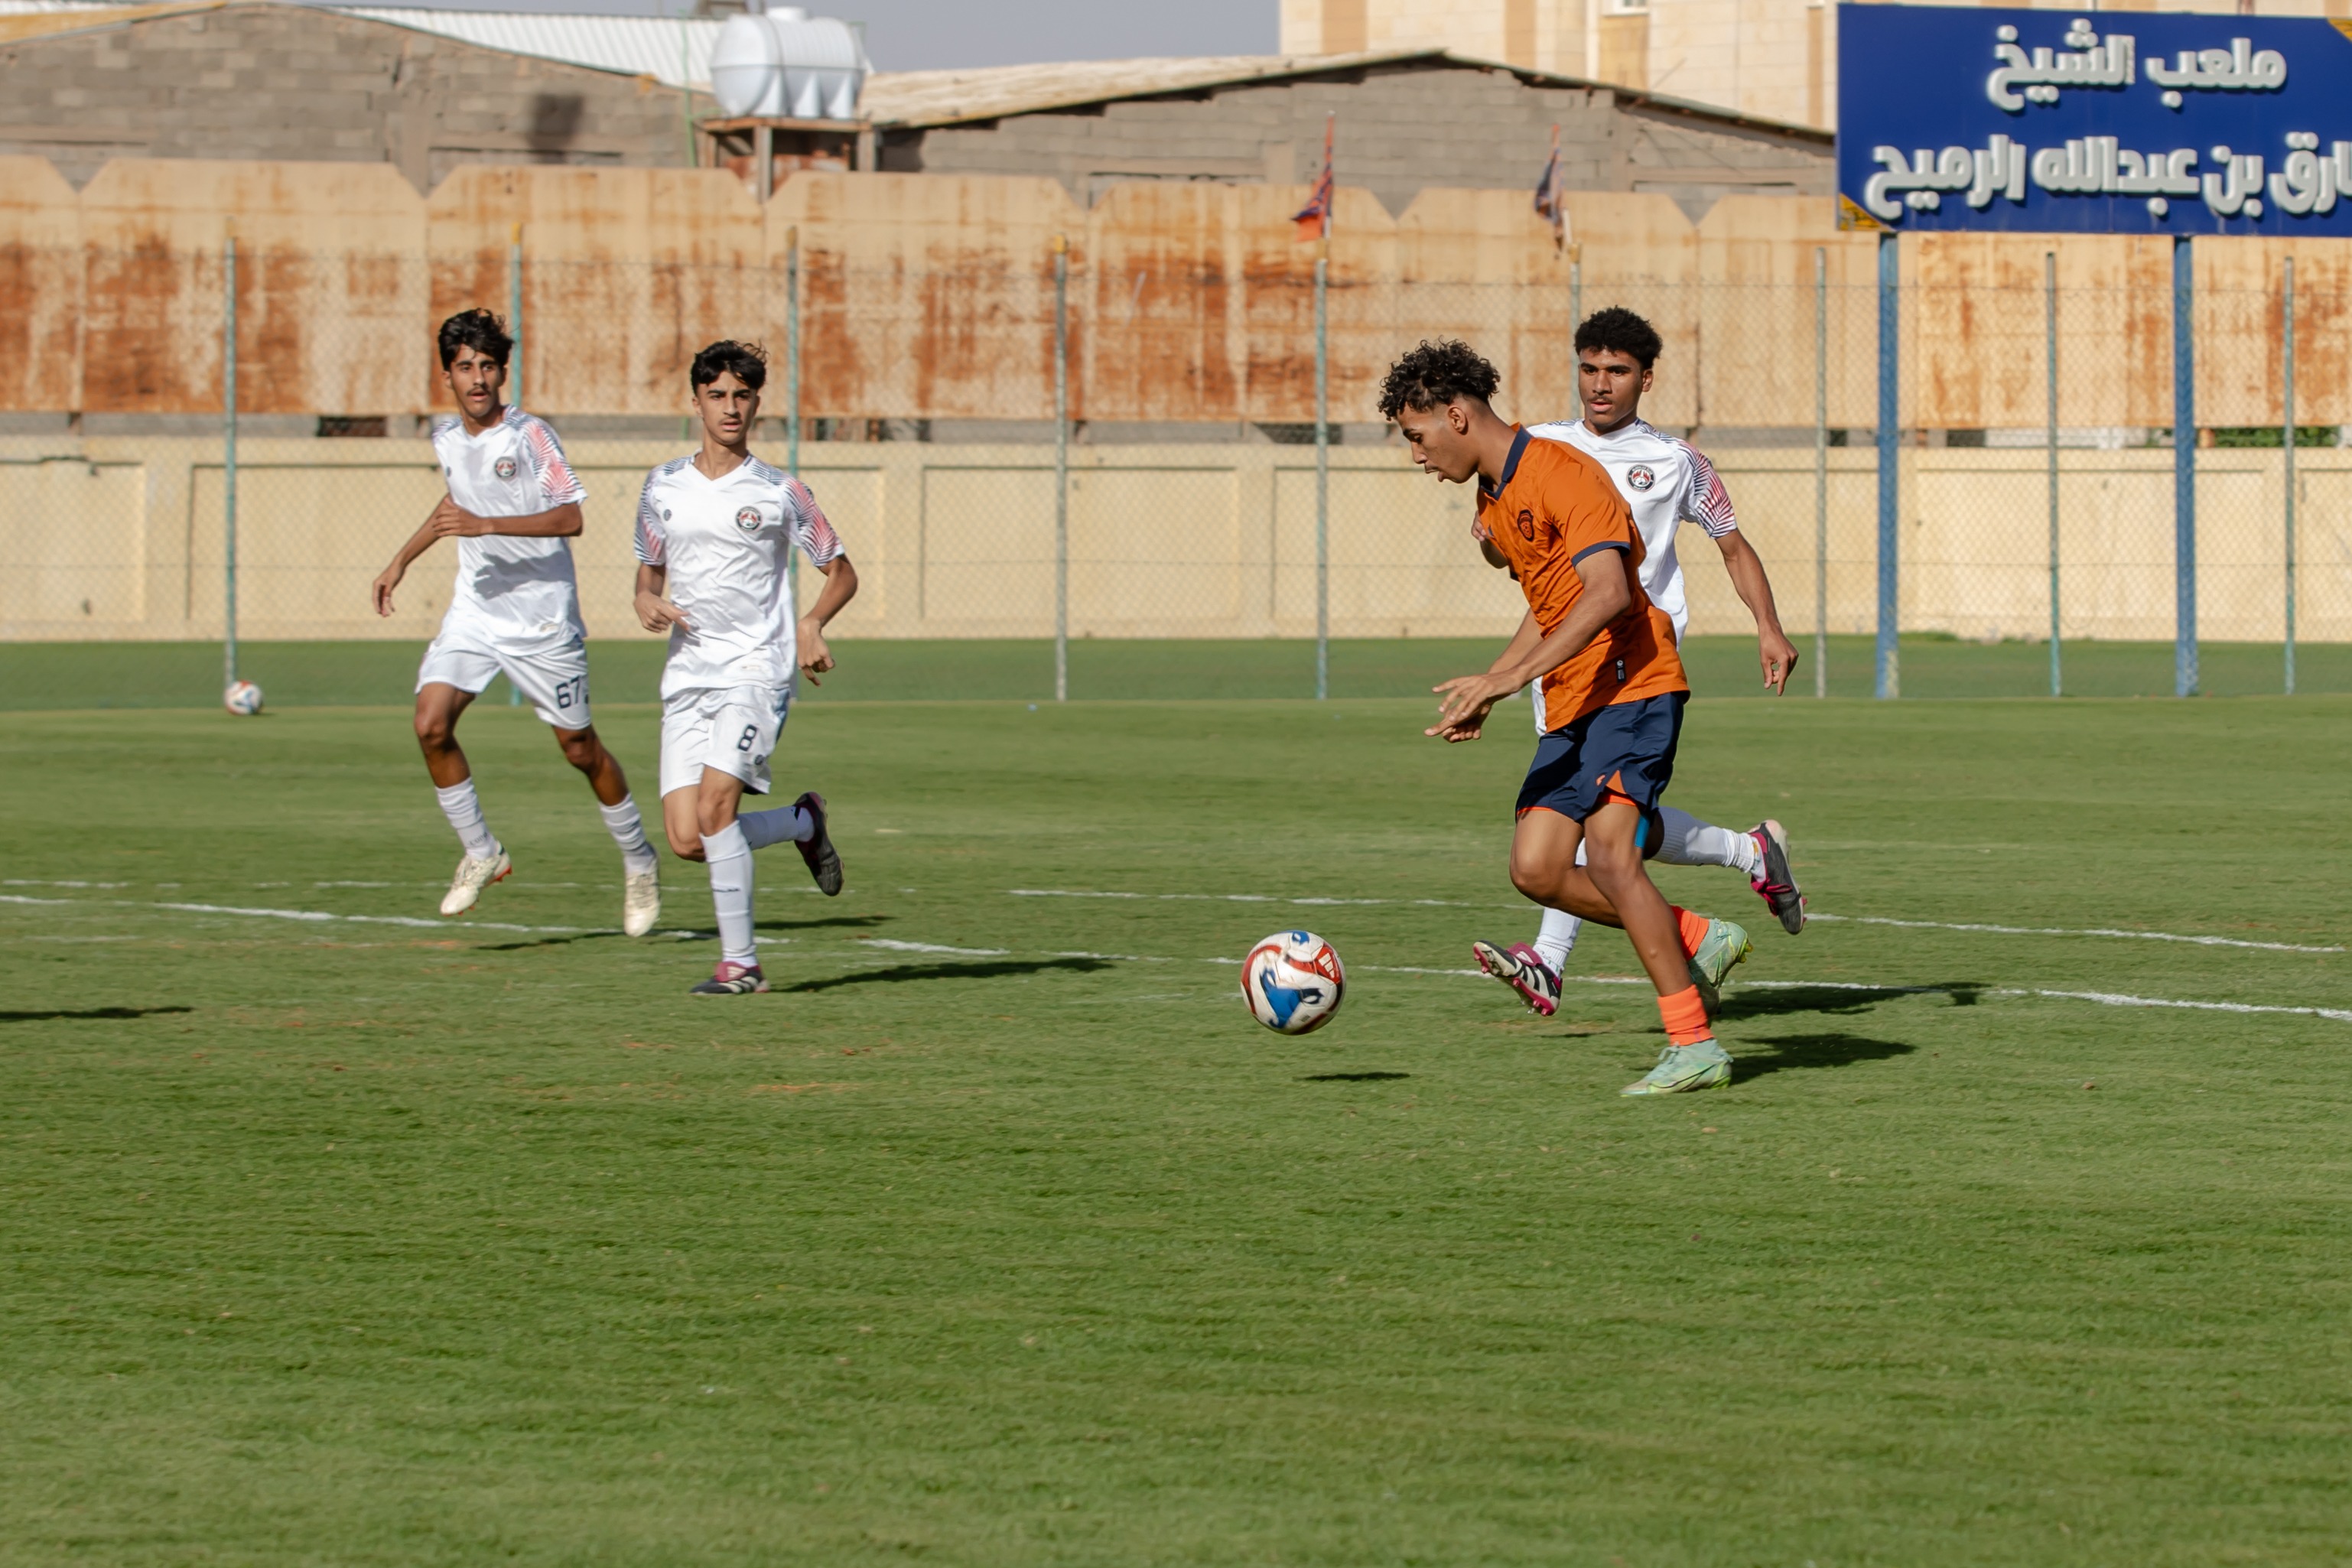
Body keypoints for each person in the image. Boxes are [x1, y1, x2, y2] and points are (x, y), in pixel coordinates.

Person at [1385, 338, 1745, 1097]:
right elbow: (1551, 607)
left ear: (1456, 416)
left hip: (1635, 683)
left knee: (1613, 856)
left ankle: (1694, 1043)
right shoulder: (1495, 495)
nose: (1415, 455)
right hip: (1576, 698)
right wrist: (1495, 679)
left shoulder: (1560, 472)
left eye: (1417, 436)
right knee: (1537, 868)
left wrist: (1512, 677)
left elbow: (1610, 592)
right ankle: (1697, 935)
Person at [1469, 307, 1803, 1018]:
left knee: (1596, 820)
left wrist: (1768, 627)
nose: (1599, 384)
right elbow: (1508, 551)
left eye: (1617, 371)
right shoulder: (1535, 449)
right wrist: (1491, 536)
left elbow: (1733, 549)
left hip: (1638, 661)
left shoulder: (1679, 462)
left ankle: (1551, 962)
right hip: (1562, 655)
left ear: (1644, 379)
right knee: (1592, 820)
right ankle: (1748, 853)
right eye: (1588, 368)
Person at [371, 308, 661, 935]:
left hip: (542, 621)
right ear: (447, 374)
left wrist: (485, 525)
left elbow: (570, 517)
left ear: (503, 371)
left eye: (487, 366)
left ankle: (639, 860)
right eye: (464, 367)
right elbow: (455, 503)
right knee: (430, 724)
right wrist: (400, 559)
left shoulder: (532, 437)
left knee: (579, 749)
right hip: (475, 612)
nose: (477, 378)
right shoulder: (447, 438)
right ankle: (481, 852)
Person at [633, 340, 857, 996]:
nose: (730, 408)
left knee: (715, 806)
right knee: (687, 837)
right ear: (695, 401)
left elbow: (840, 572)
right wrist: (646, 599)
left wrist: (811, 622)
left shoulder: (781, 491)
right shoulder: (661, 485)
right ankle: (801, 823)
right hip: (687, 677)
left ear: (757, 402)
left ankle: (742, 965)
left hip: (755, 671)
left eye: (742, 396)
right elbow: (648, 572)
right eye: (717, 395)